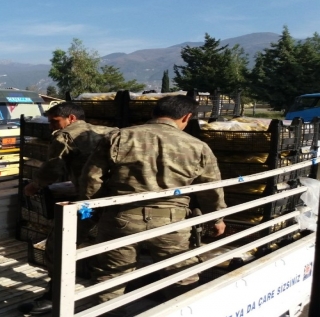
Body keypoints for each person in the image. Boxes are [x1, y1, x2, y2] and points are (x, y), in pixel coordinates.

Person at [78, 95, 226, 311]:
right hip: (172, 223)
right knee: (181, 276)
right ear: (186, 117)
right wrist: (217, 218)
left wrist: (93, 209)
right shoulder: (198, 147)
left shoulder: (120, 136)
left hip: (121, 217)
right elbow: (210, 188)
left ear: (153, 113)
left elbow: (91, 178)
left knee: (111, 277)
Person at [19, 102, 117, 315]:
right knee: (115, 247)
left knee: (58, 246)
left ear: (71, 119)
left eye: (55, 121)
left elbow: (53, 168)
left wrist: (34, 185)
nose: (51, 126)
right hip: (117, 202)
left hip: (88, 203)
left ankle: (54, 297)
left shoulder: (64, 136)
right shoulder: (110, 132)